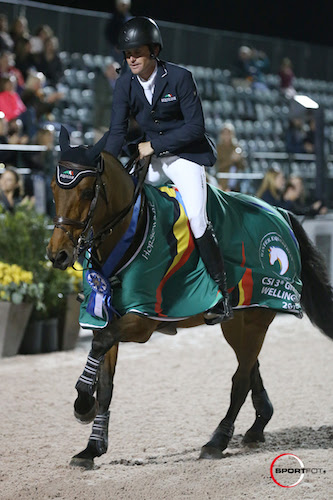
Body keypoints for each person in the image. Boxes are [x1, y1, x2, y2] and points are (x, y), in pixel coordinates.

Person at [101, 17, 233, 325]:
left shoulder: (179, 77)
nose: (131, 58)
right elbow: (117, 132)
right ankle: (114, 281)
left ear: (153, 51)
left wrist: (154, 145)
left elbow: (195, 128)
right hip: (154, 159)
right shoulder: (124, 83)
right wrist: (103, 163)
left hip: (185, 155)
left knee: (197, 217)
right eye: (127, 53)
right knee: (127, 206)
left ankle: (222, 294)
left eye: (137, 52)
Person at [93, 61, 120, 142]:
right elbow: (102, 100)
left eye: (115, 71)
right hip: (103, 122)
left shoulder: (120, 83)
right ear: (106, 71)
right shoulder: (100, 82)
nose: (113, 73)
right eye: (111, 70)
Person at [215, 122, 246, 191]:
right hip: (223, 182)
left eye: (229, 133)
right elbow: (217, 167)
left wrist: (239, 159)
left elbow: (243, 167)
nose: (227, 136)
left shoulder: (237, 147)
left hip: (236, 181)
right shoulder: (218, 148)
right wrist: (231, 160)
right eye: (224, 133)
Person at [104, 0, 132, 65]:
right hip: (116, 49)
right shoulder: (113, 19)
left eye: (125, 5)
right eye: (122, 5)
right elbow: (109, 33)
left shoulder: (128, 18)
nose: (124, 7)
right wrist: (115, 45)